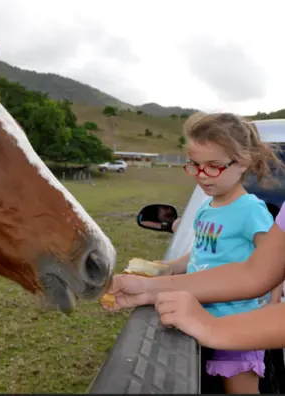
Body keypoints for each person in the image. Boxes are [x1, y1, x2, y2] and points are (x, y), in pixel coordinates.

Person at [102, 112, 284, 394]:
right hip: (197, 313)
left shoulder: (251, 210)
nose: (201, 175)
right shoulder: (206, 208)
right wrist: (169, 268)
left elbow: (271, 264)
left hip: (237, 322)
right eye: (195, 165)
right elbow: (201, 253)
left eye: (213, 166)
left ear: (243, 162)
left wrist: (273, 299)